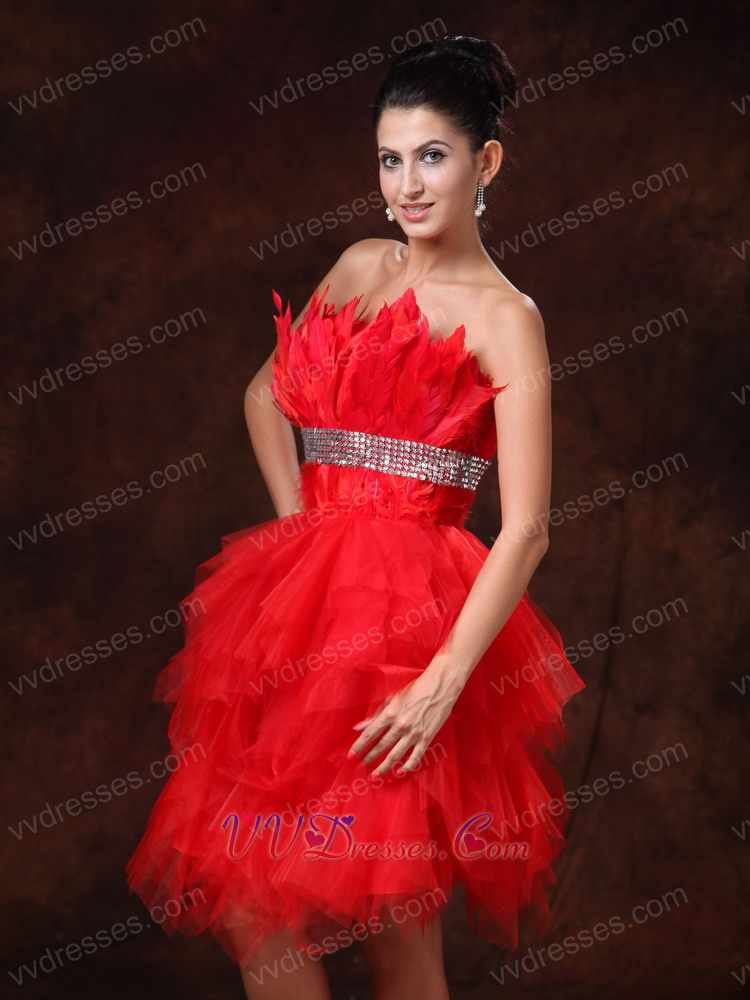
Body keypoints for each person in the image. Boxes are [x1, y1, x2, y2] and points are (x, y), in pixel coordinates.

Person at [126, 33, 586, 999]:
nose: (407, 185)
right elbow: (265, 396)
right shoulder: (359, 265)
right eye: (389, 159)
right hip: (299, 614)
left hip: (410, 632)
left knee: (395, 914)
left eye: (433, 156)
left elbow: (528, 528)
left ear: (486, 163)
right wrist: (303, 532)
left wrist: (443, 682)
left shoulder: (508, 318)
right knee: (255, 899)